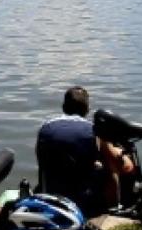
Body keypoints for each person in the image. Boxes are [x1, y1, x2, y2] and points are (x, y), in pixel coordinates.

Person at [35, 86, 134, 215]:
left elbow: (41, 160)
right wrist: (125, 156)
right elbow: (123, 166)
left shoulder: (46, 127)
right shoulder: (94, 130)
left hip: (50, 197)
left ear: (64, 107)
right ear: (87, 109)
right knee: (111, 168)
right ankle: (113, 210)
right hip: (83, 201)